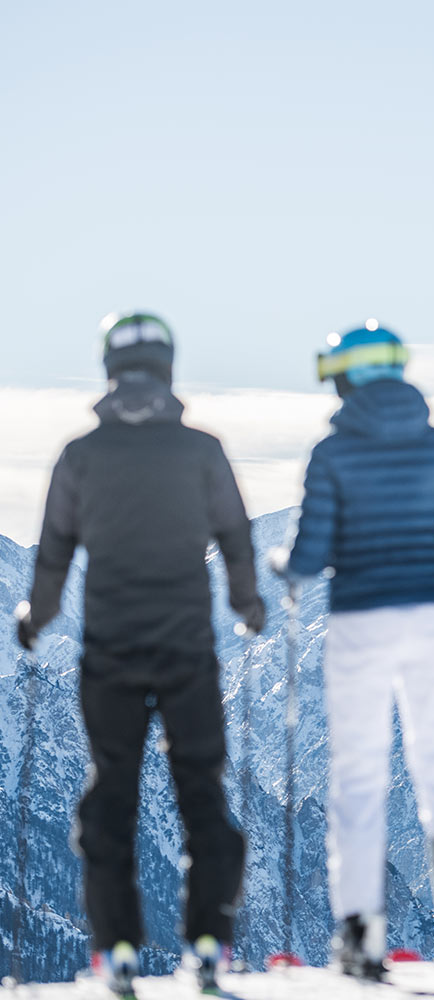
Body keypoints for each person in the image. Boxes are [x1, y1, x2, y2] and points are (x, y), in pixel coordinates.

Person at [16, 312, 265, 997]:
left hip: (111, 653)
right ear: (168, 368)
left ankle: (117, 948)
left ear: (108, 370)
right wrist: (249, 607)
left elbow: (55, 553)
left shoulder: (79, 456)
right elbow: (237, 537)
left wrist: (35, 619)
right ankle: (210, 940)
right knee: (202, 793)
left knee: (112, 797)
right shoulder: (203, 451)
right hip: (188, 649)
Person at [272, 320, 434, 978]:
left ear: (345, 377)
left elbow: (309, 558)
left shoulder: (332, 453)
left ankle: (362, 939)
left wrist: (283, 564)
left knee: (359, 778)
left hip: (360, 623)